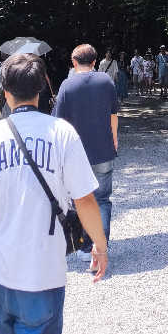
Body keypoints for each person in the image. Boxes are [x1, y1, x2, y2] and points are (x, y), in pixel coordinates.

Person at [0, 52, 108, 334]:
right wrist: (99, 245)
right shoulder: (62, 133)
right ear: (42, 88)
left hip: (0, 271)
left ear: (5, 92)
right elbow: (85, 199)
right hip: (43, 271)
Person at [53, 43, 118, 263]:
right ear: (94, 62)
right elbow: (113, 115)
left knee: (79, 199)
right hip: (103, 149)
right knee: (102, 199)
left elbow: (58, 122)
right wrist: (114, 141)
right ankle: (101, 247)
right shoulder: (106, 81)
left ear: (73, 62)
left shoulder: (67, 86)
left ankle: (84, 246)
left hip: (75, 154)